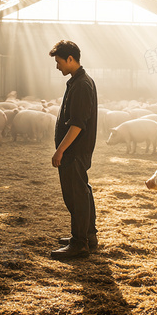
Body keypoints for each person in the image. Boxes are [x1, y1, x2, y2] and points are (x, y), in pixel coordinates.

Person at [49, 40, 98, 260]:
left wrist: (60, 150)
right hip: (76, 151)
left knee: (76, 195)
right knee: (82, 192)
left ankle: (80, 243)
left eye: (59, 62)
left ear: (70, 59)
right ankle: (87, 235)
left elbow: (78, 124)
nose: (57, 66)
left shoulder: (81, 85)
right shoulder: (78, 82)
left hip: (74, 152)